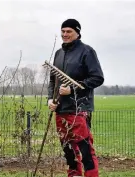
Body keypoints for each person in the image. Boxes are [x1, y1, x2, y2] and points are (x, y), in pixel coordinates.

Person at [48, 19, 104, 177]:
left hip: (79, 109)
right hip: (61, 110)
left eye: (69, 32)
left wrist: (72, 89)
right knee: (69, 151)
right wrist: (50, 99)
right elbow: (53, 80)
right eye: (63, 31)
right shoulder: (59, 54)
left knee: (85, 151)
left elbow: (97, 78)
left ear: (77, 33)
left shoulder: (87, 51)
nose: (65, 34)